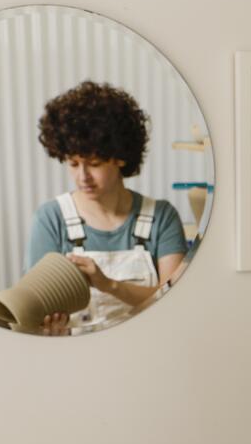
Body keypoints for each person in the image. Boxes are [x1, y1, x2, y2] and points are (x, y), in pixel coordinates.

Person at [27, 80, 187, 333]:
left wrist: (108, 284)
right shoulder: (50, 219)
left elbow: (177, 302)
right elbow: (35, 309)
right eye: (73, 163)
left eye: (94, 163)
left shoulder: (161, 217)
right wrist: (51, 328)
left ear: (121, 158)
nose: (83, 177)